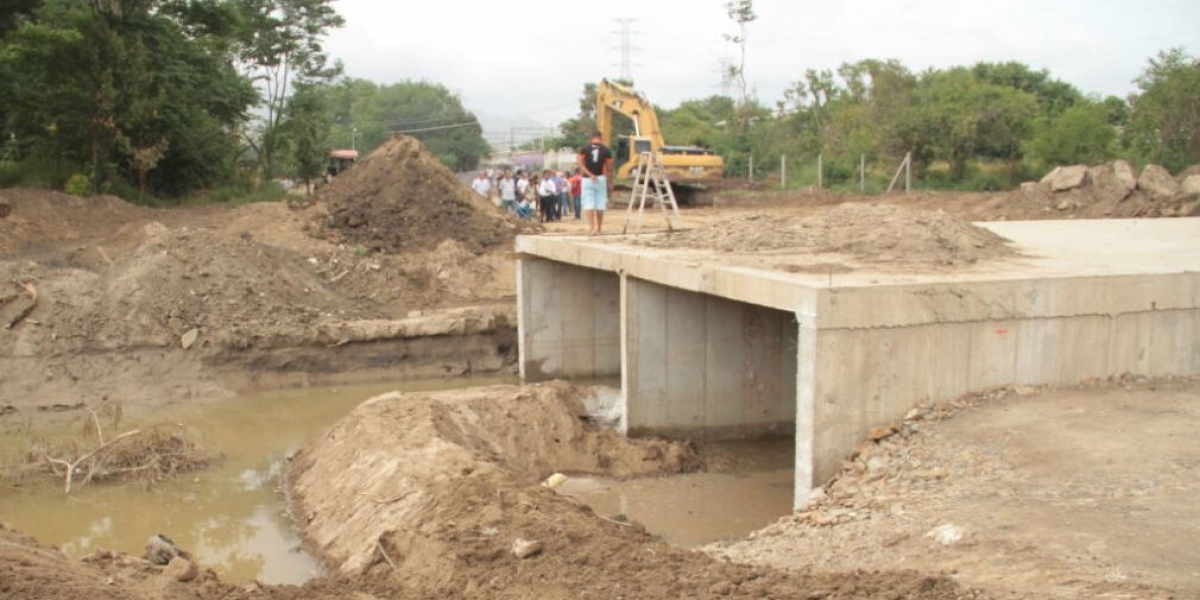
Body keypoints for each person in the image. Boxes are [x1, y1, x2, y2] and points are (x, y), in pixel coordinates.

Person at [577, 131, 613, 235]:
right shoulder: (606, 150)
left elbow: (580, 164)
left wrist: (589, 174)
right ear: (600, 138)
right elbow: (609, 167)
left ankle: (592, 228)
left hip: (587, 179)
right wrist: (610, 182)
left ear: (591, 138)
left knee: (588, 203)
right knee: (600, 203)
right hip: (600, 178)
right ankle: (599, 229)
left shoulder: (584, 149)